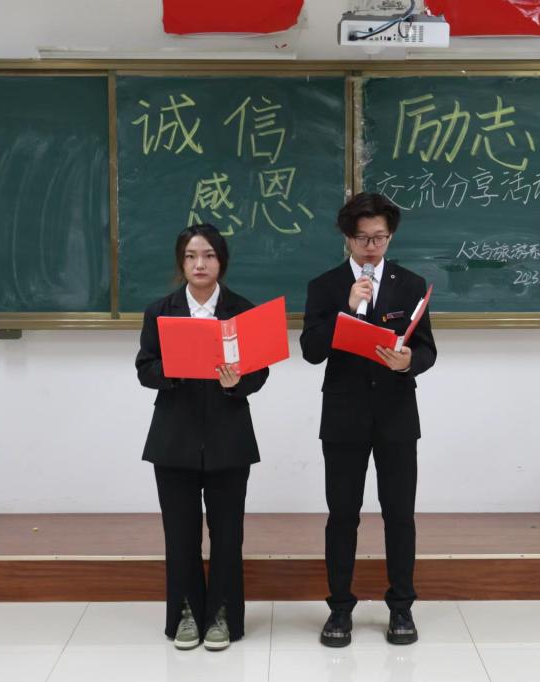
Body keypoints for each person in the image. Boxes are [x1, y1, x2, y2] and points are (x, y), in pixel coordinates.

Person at [300, 192, 437, 647]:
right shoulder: (325, 285)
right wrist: (346, 308)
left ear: (390, 235)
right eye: (362, 238)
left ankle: (401, 607)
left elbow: (427, 349)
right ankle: (340, 608)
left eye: (379, 237)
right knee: (342, 515)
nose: (371, 247)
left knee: (399, 514)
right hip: (344, 416)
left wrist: (409, 362)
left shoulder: (411, 284)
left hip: (396, 414)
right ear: (347, 238)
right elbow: (311, 350)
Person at [135, 224, 269, 651]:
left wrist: (237, 381)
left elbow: (259, 372)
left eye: (208, 255)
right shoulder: (161, 311)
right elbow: (145, 368)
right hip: (174, 439)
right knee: (181, 535)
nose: (200, 264)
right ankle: (186, 613)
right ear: (181, 262)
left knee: (228, 535)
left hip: (229, 439)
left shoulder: (242, 311)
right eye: (191, 255)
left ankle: (222, 614)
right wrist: (171, 369)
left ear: (221, 261)